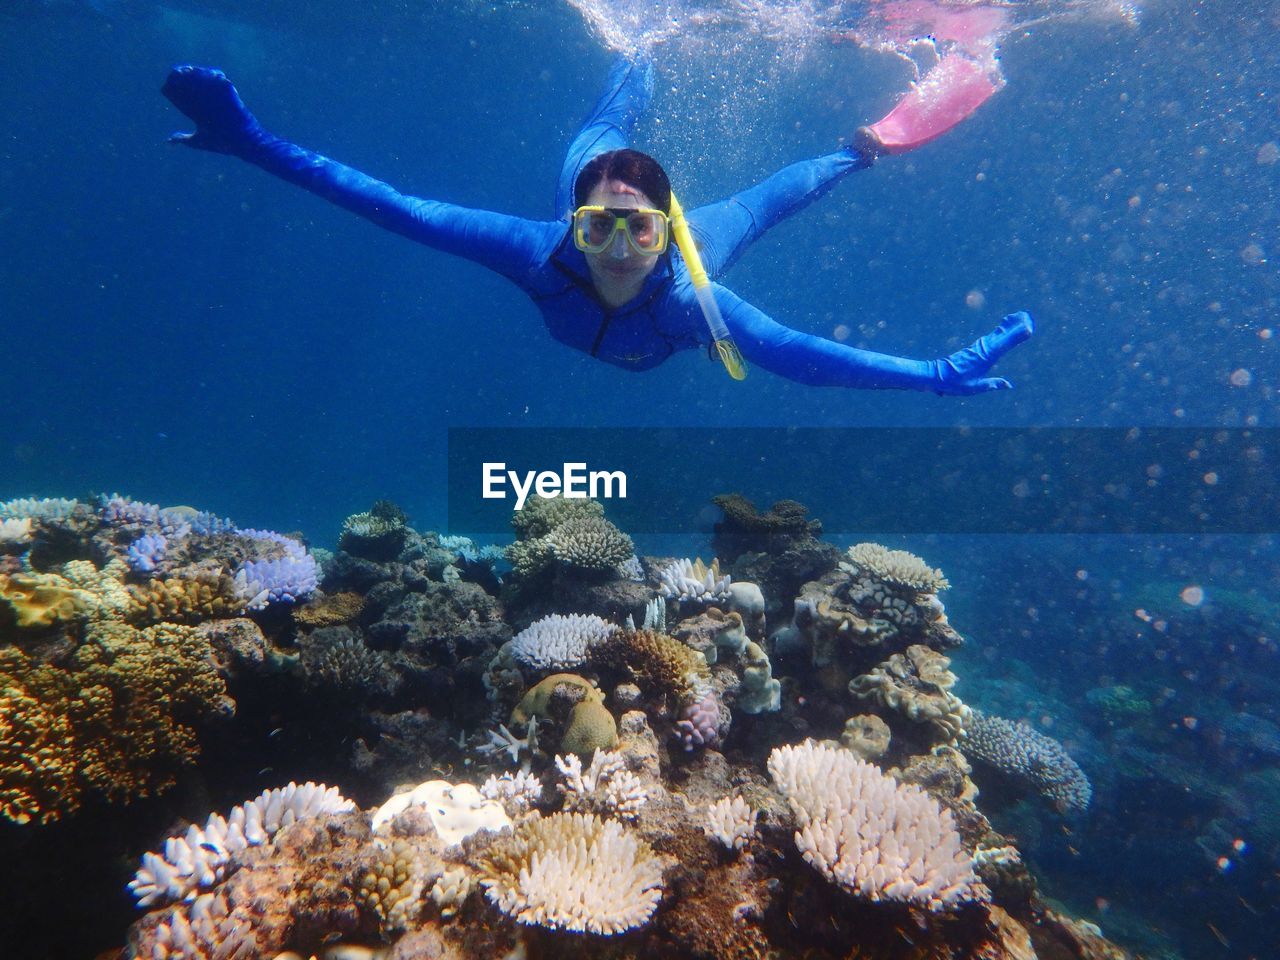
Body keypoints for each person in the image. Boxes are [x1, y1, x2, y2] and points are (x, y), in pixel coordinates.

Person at [161, 59, 1032, 393]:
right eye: (597, 229)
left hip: (699, 251)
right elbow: (387, 204)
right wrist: (253, 143)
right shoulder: (537, 253)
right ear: (573, 225)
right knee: (595, 136)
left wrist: (933, 376)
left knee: (771, 199)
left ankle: (867, 145)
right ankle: (640, 51)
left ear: (665, 229)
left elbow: (800, 355)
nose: (616, 250)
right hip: (597, 169)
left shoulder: (694, 300)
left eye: (638, 232)